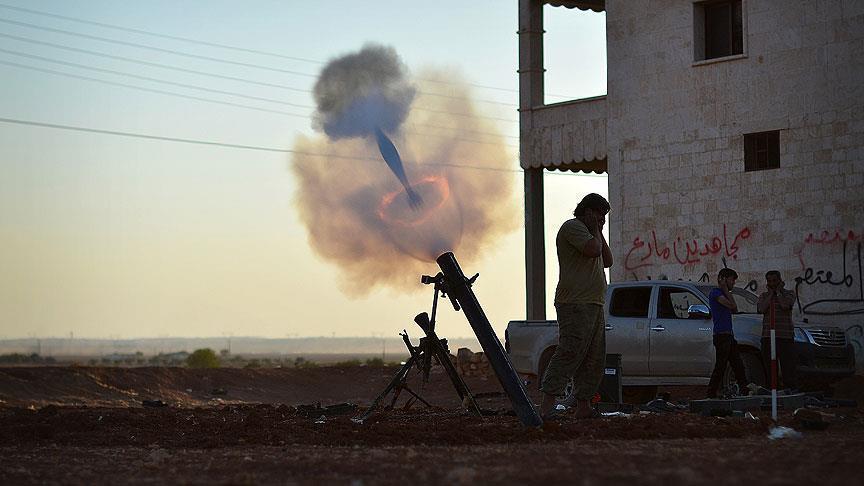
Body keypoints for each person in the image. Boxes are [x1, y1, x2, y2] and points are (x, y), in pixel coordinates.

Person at [539, 193, 613, 420]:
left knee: (593, 357)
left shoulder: (593, 235)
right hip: (574, 303)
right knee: (570, 352)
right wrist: (596, 230)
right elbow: (593, 250)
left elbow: (607, 260)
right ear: (588, 212)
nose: (602, 221)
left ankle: (584, 406)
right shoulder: (572, 228)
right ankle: (547, 406)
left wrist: (598, 230)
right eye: (599, 216)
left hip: (593, 303)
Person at [706, 268, 749, 398]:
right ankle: (711, 392)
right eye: (732, 280)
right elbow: (732, 306)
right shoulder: (715, 293)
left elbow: (734, 309)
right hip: (721, 335)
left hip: (729, 335)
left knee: (737, 364)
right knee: (721, 365)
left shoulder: (724, 294)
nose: (733, 283)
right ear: (723, 279)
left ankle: (745, 389)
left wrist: (726, 291)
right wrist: (725, 289)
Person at [757, 270, 798, 391]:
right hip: (768, 337)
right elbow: (761, 309)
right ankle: (772, 391)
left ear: (780, 281)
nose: (772, 284)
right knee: (769, 368)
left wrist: (778, 293)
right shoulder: (764, 296)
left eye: (774, 281)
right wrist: (771, 294)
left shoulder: (789, 294)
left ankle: (789, 391)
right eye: (769, 281)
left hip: (785, 337)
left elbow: (785, 305)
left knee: (788, 368)